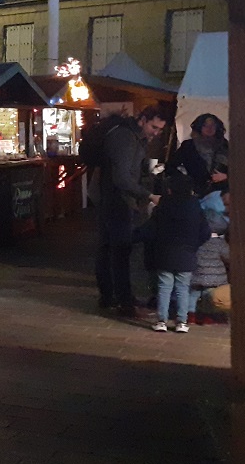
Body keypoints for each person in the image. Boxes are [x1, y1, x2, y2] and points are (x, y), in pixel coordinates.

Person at [96, 105, 169, 317]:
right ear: (142, 120)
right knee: (119, 250)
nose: (156, 133)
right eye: (154, 127)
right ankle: (123, 301)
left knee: (110, 249)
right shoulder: (125, 138)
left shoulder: (134, 138)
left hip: (116, 200)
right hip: (118, 201)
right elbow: (122, 178)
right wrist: (148, 195)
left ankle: (110, 297)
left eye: (160, 130)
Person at [139, 168, 211, 332]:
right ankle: (182, 322)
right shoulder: (195, 206)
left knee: (164, 287)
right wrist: (193, 245)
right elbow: (205, 231)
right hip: (187, 254)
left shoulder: (164, 205)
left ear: (170, 189)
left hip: (165, 253)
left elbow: (152, 228)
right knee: (182, 289)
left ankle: (162, 321)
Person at [188, 191, 231, 325]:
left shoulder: (197, 241)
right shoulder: (219, 243)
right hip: (214, 277)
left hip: (197, 274)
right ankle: (207, 316)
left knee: (193, 295)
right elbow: (228, 256)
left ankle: (190, 314)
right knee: (208, 297)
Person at [169, 113, 229, 196]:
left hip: (221, 195)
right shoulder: (189, 146)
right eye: (205, 125)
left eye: (213, 125)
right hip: (195, 193)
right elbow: (170, 166)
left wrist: (226, 176)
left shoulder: (225, 146)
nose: (209, 128)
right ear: (199, 127)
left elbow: (240, 170)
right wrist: (185, 181)